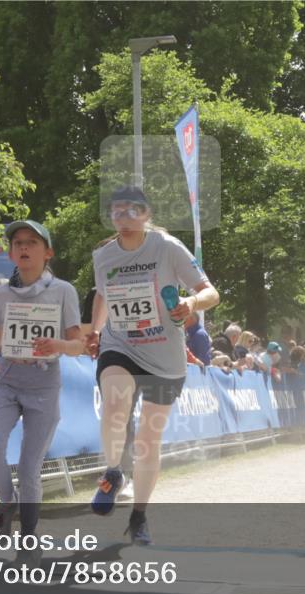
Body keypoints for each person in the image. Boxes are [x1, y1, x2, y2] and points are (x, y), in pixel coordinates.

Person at [86, 186, 219, 545]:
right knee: (114, 403)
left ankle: (139, 516)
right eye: (117, 211)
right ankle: (113, 473)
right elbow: (102, 294)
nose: (123, 218)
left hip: (165, 355)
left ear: (147, 215)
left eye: (132, 211)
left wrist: (192, 303)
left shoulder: (168, 247)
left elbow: (211, 292)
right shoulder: (104, 255)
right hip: (120, 345)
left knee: (148, 439)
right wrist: (95, 331)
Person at [0, 220, 83, 567]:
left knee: (28, 464)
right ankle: (6, 505)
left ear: (47, 252)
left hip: (44, 385)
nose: (23, 247)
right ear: (10, 252)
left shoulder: (63, 290)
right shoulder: (3, 291)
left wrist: (59, 344)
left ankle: (29, 537)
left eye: (32, 242)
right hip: (7, 380)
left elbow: (78, 344)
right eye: (17, 242)